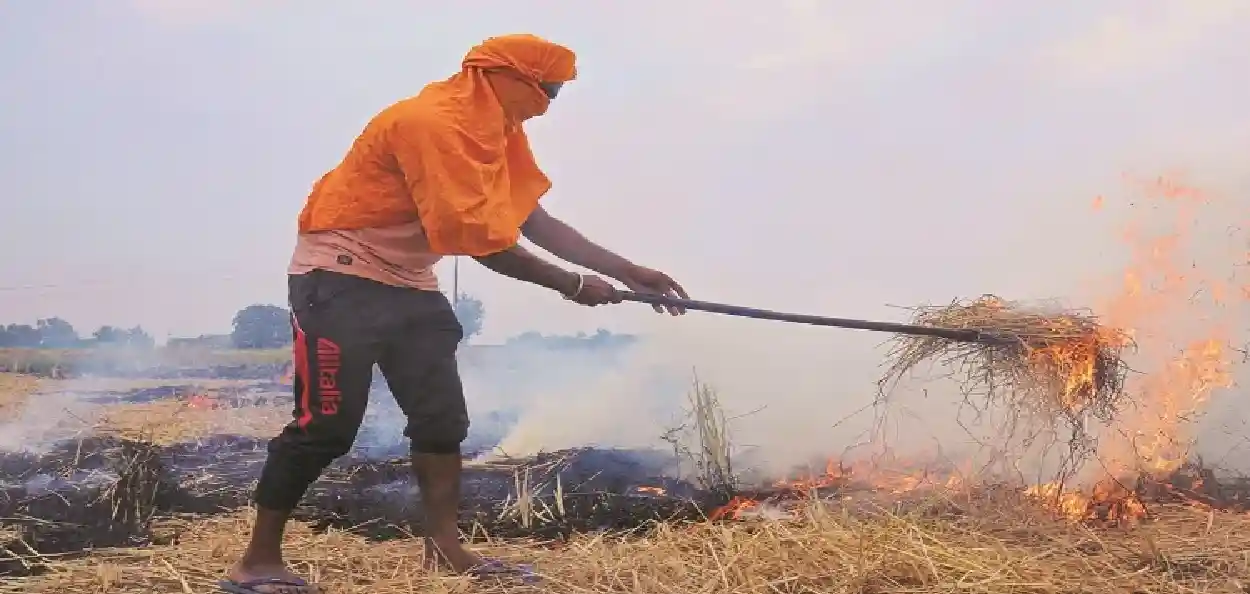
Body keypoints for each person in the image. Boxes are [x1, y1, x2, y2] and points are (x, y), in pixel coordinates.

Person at [220, 34, 688, 594]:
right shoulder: (432, 123)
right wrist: (572, 285)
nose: (550, 103)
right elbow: (480, 242)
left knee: (442, 423)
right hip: (339, 276)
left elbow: (530, 220)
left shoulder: (496, 133)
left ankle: (444, 549)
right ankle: (258, 561)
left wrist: (629, 271)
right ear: (504, 76)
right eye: (549, 89)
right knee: (325, 427)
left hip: (409, 281)